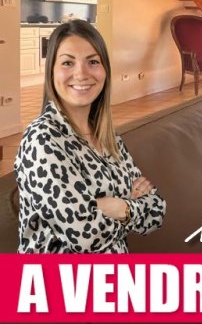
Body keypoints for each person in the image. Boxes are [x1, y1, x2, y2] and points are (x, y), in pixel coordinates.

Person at [14, 20, 165, 253]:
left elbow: (156, 211)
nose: (81, 74)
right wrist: (130, 204)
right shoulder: (42, 140)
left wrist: (120, 208)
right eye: (68, 62)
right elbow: (86, 236)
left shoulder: (108, 136)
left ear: (105, 70)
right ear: (52, 71)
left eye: (93, 62)